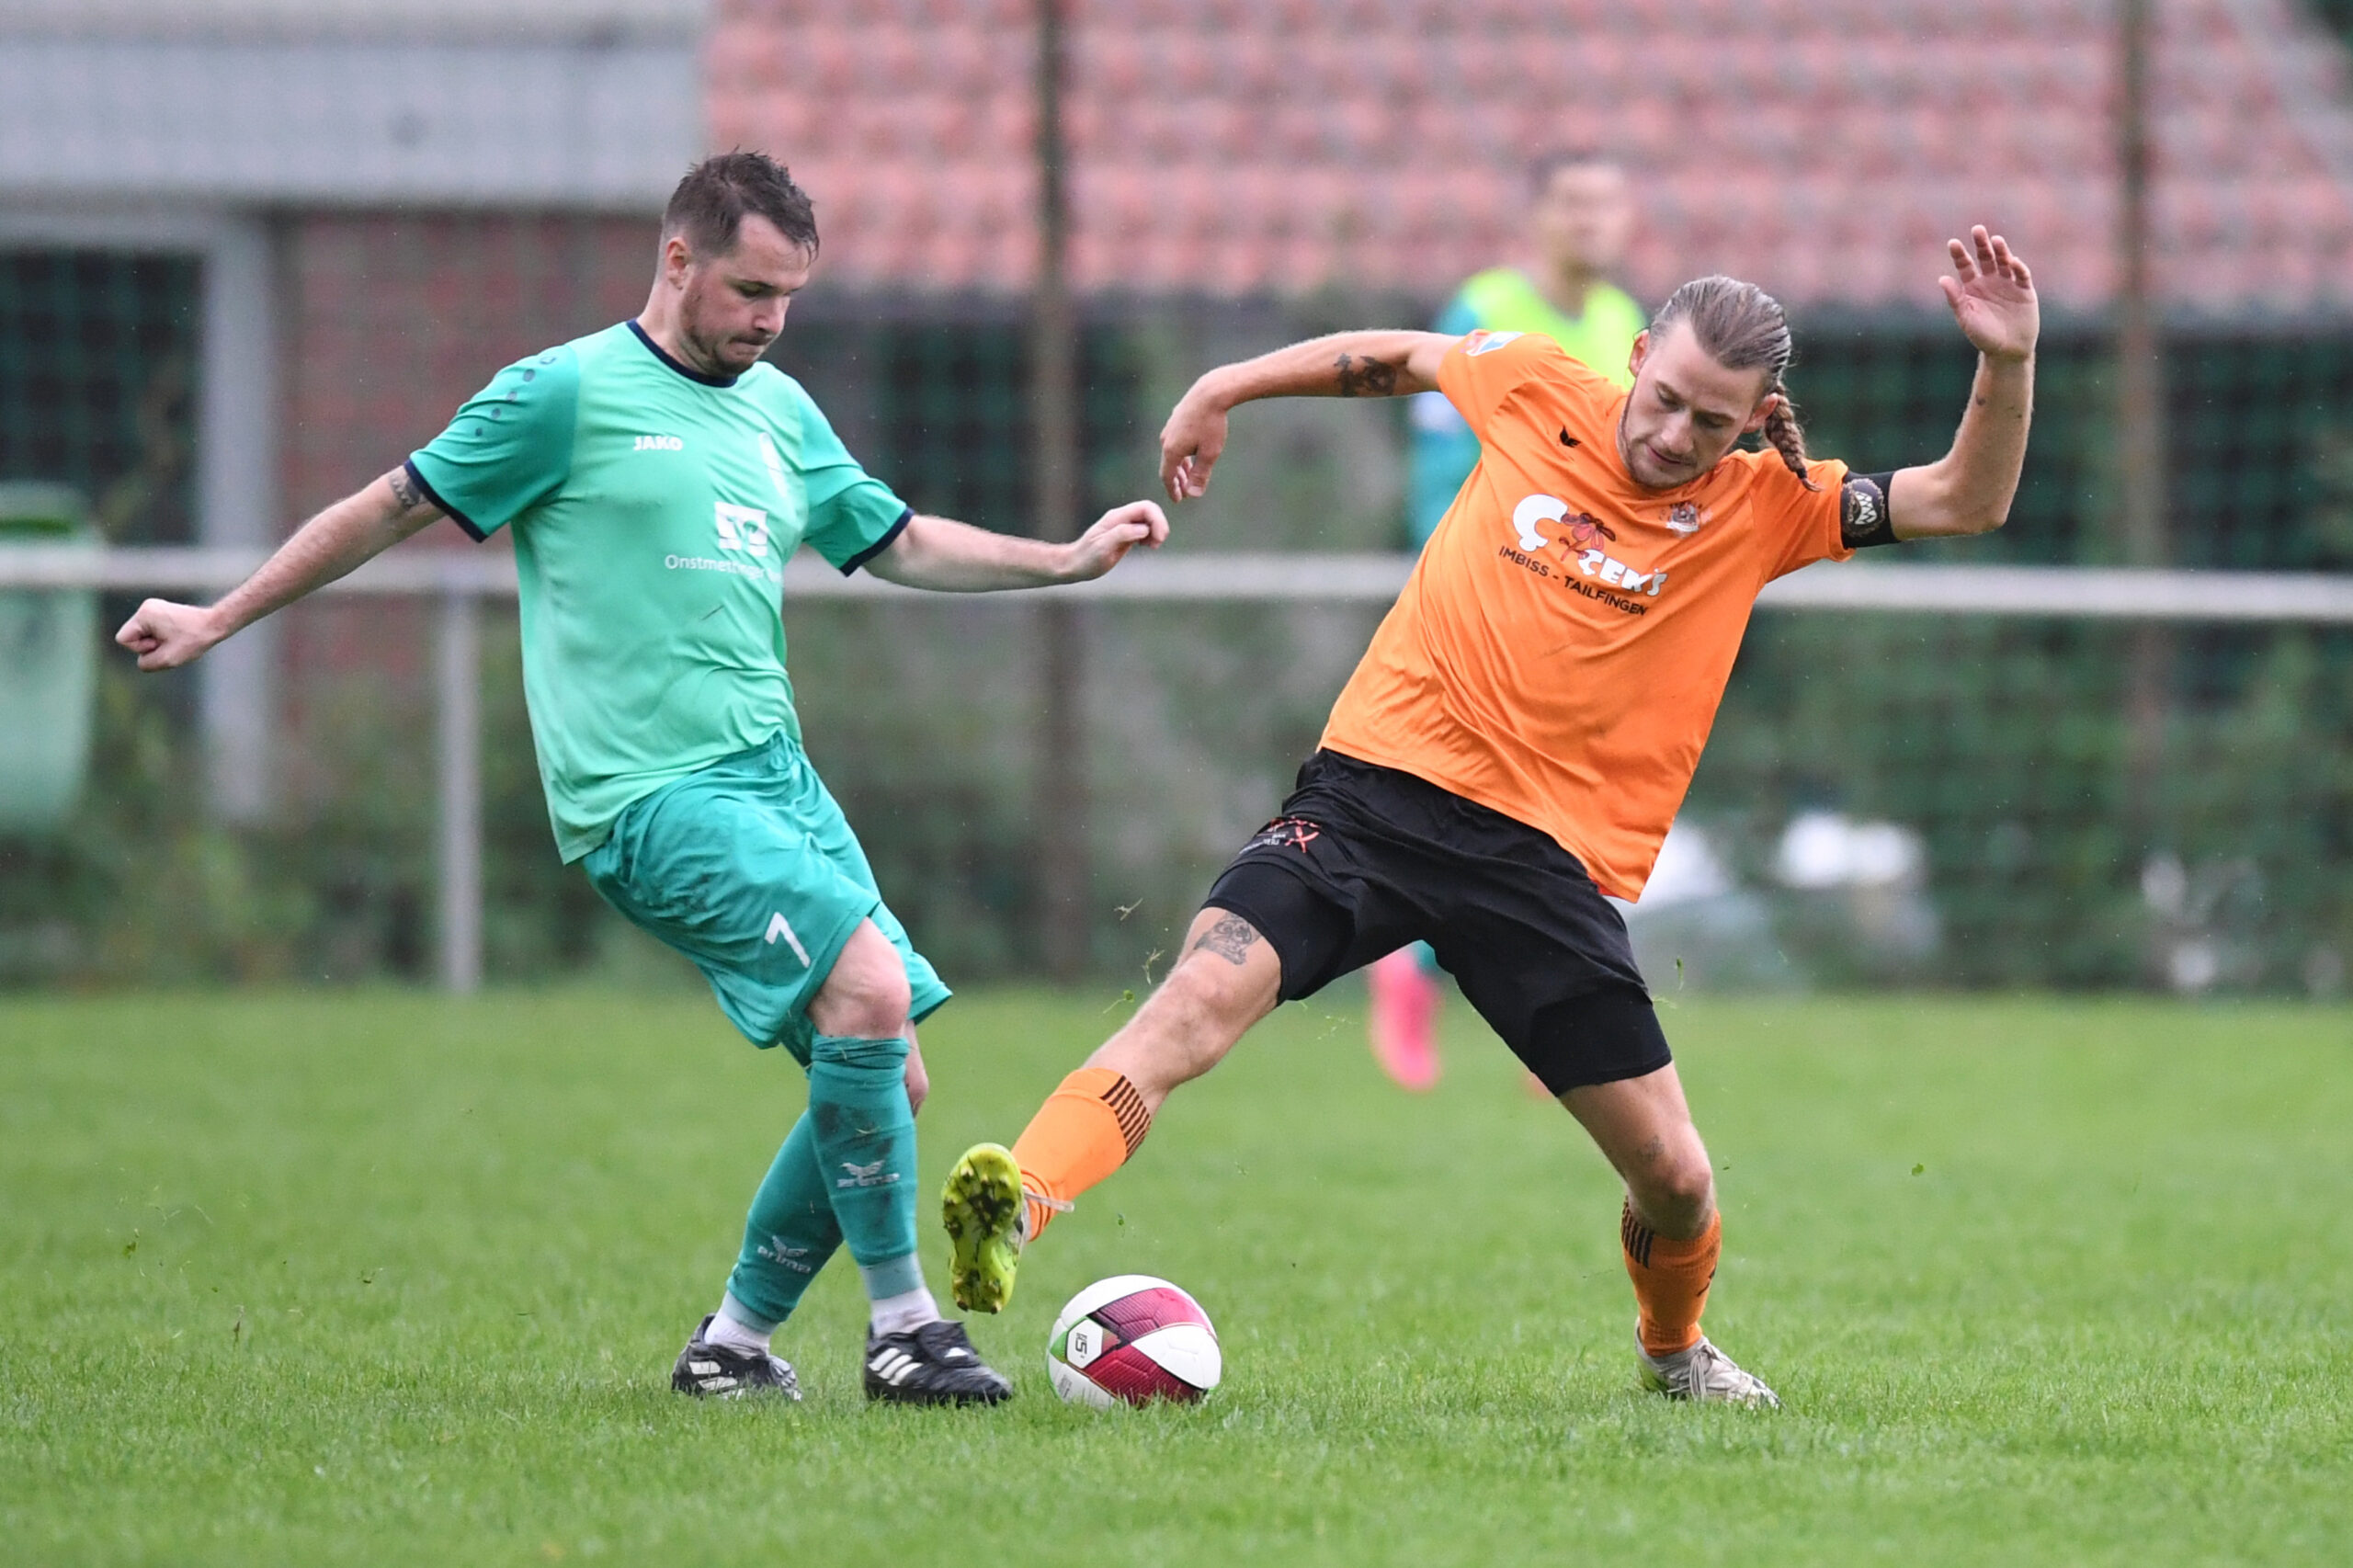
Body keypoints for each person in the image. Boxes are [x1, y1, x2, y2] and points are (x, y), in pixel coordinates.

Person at [115, 152, 1169, 1408]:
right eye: (750, 288)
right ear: (678, 260)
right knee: (871, 991)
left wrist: (1061, 560)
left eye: (790, 296)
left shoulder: (779, 409)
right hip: (650, 795)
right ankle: (904, 1329)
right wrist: (219, 617)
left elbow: (895, 541)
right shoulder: (561, 394)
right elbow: (384, 507)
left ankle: (731, 1342)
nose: (771, 319)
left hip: (778, 779)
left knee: (890, 1065)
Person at [941, 228, 2039, 1407]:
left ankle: (1674, 1350)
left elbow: (1964, 500)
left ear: (1754, 417)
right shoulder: (1531, 382)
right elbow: (1393, 356)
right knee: (1196, 999)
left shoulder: (1768, 506)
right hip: (1369, 798)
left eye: (1710, 423)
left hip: (1539, 869)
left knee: (1675, 1180)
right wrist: (1223, 384)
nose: (1674, 435)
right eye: (1663, 400)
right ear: (1632, 357)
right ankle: (1018, 1203)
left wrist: (2008, 363)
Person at [1374, 148, 1646, 1092]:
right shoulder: (1480, 310)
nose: (1592, 222)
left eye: (1608, 203)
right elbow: (1440, 470)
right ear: (1535, 217)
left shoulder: (1624, 325)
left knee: (1569, 804)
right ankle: (1409, 975)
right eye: (1573, 203)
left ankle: (1560, 1002)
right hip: (1489, 600)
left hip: (1593, 609)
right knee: (1459, 799)